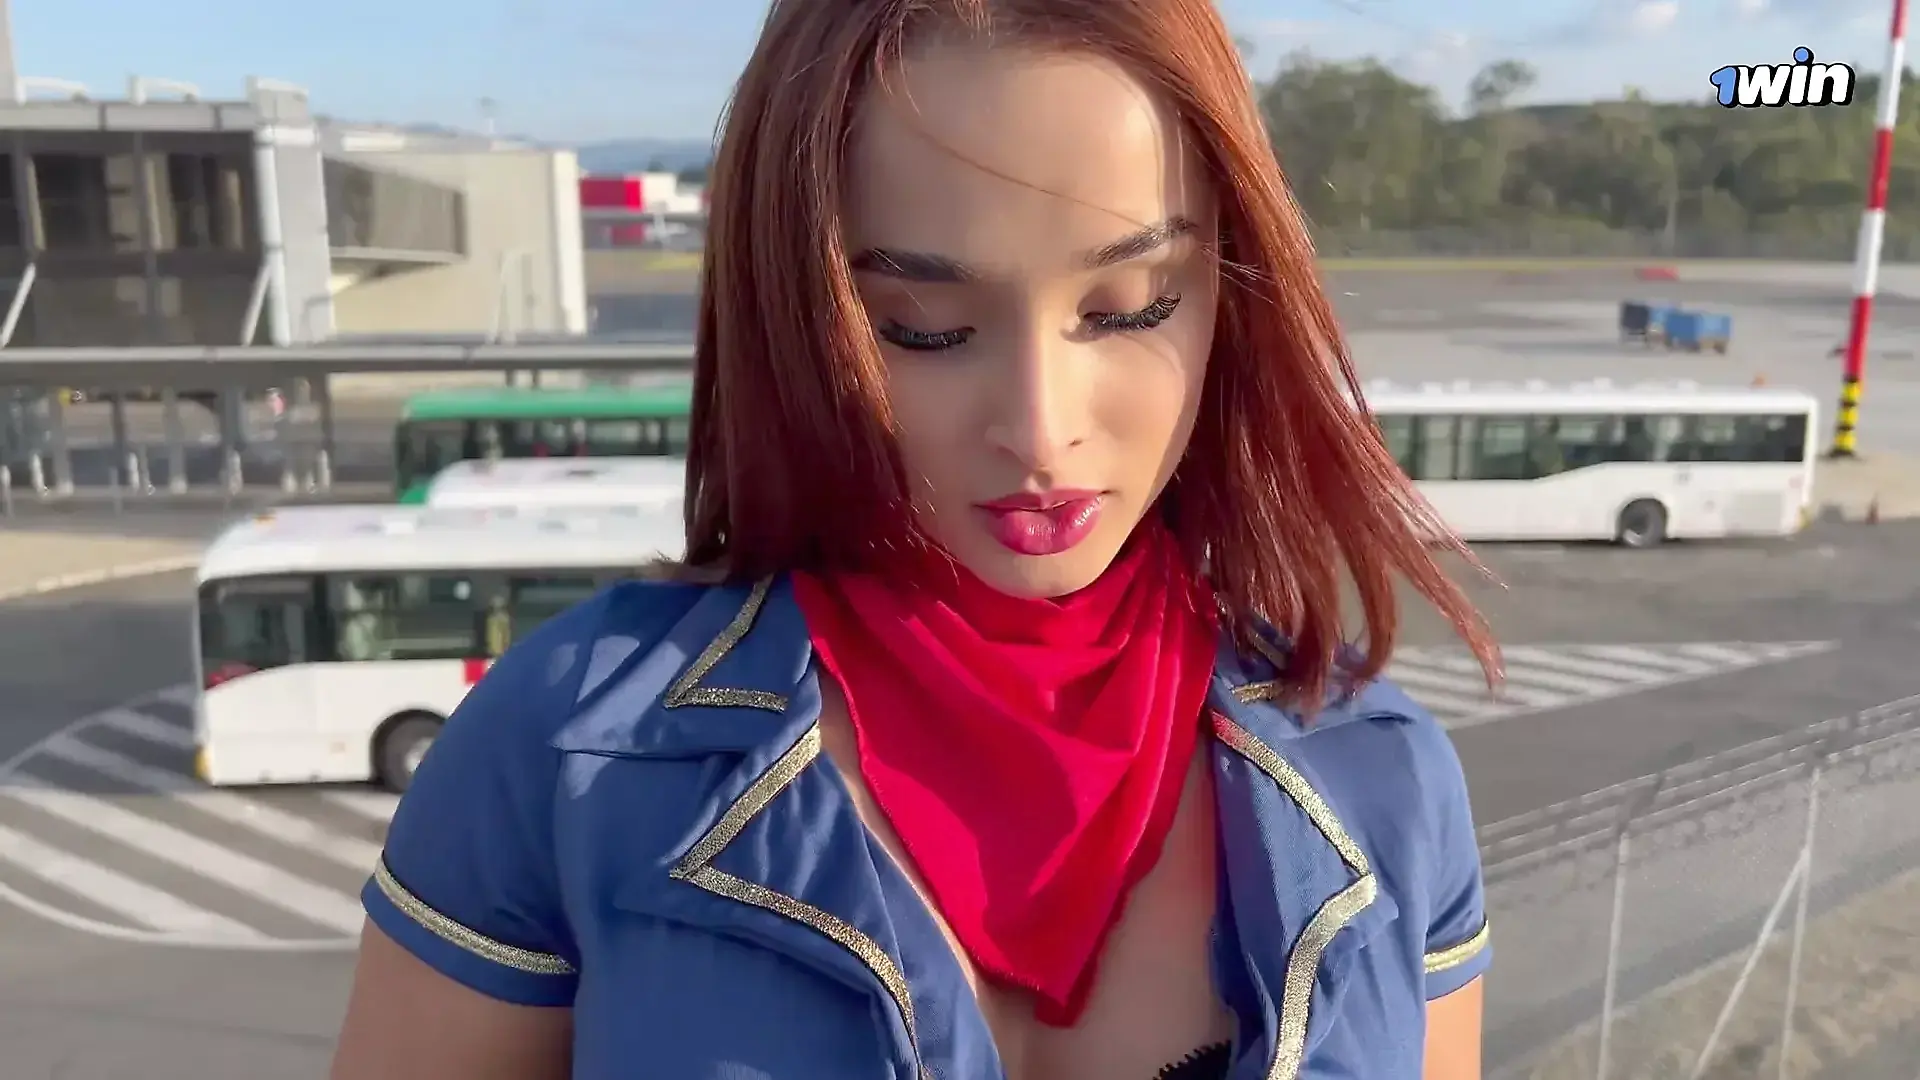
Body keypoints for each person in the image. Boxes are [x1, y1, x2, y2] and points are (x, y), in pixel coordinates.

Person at [329, 0, 1501, 1077]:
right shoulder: (574, 754)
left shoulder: (1382, 780)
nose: (1039, 429)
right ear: (795, 323)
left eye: (1130, 305)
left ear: (1234, 295)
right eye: (920, 326)